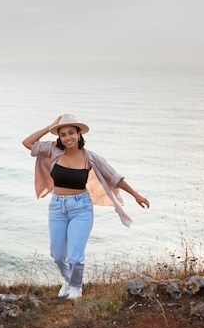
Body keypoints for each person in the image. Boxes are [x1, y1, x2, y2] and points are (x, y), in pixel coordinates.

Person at [22, 114, 149, 300]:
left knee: (74, 256)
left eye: (71, 133)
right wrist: (50, 126)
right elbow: (28, 143)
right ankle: (67, 279)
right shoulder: (54, 150)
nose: (68, 138)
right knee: (57, 255)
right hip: (57, 207)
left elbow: (115, 177)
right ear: (59, 137)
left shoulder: (91, 158)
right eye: (63, 134)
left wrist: (136, 195)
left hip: (81, 208)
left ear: (79, 134)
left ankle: (76, 286)